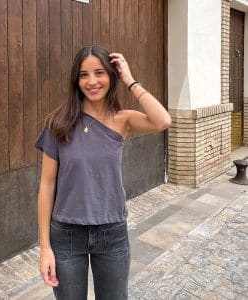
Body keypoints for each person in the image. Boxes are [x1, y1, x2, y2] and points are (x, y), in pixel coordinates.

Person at [34, 45, 171, 300]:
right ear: (76, 80)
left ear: (111, 76)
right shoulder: (58, 123)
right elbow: (46, 186)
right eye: (84, 74)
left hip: (112, 233)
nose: (92, 81)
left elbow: (162, 120)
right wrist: (45, 248)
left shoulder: (123, 120)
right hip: (66, 234)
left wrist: (130, 80)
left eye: (100, 73)